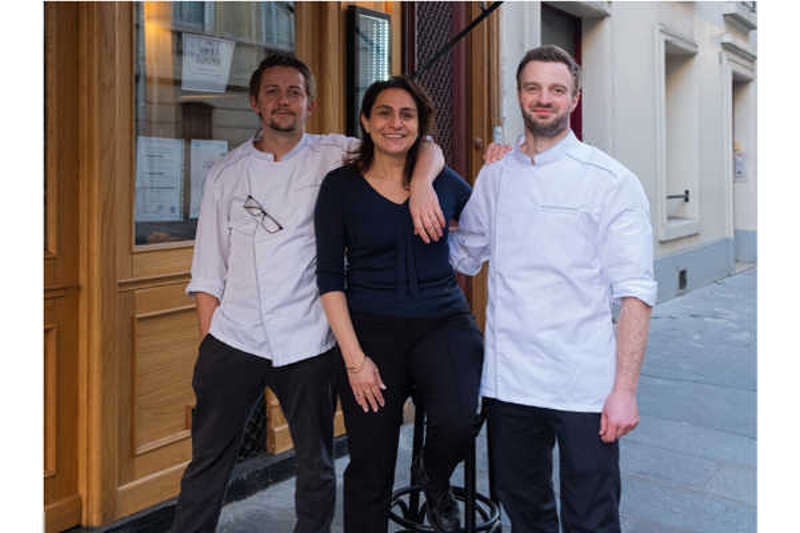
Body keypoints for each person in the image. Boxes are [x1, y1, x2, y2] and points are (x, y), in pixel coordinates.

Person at [173, 53, 445, 533]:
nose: (284, 101)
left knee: (315, 463)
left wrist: (422, 182)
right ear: (256, 102)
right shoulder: (226, 172)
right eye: (273, 92)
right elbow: (208, 269)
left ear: (310, 104)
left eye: (294, 92)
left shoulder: (335, 155)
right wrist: (210, 344)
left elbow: (418, 142)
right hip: (235, 337)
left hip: (309, 339)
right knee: (208, 462)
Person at [449, 45, 658, 532]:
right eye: (533, 88)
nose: (544, 99)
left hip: (584, 383)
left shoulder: (611, 181)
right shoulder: (496, 176)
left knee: (591, 517)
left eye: (556, 90)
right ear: (519, 95)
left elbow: (636, 293)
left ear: (575, 97)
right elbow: (464, 253)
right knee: (523, 511)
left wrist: (624, 390)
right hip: (510, 382)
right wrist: (415, 191)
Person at [314, 76, 484, 533]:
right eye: (384, 113)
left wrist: (495, 164)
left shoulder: (443, 181)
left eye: (407, 115)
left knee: (456, 424)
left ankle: (434, 477)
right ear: (366, 123)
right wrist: (355, 361)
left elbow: (491, 225)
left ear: (420, 126)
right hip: (370, 331)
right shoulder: (340, 187)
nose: (395, 123)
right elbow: (329, 278)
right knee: (370, 464)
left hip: (443, 322)